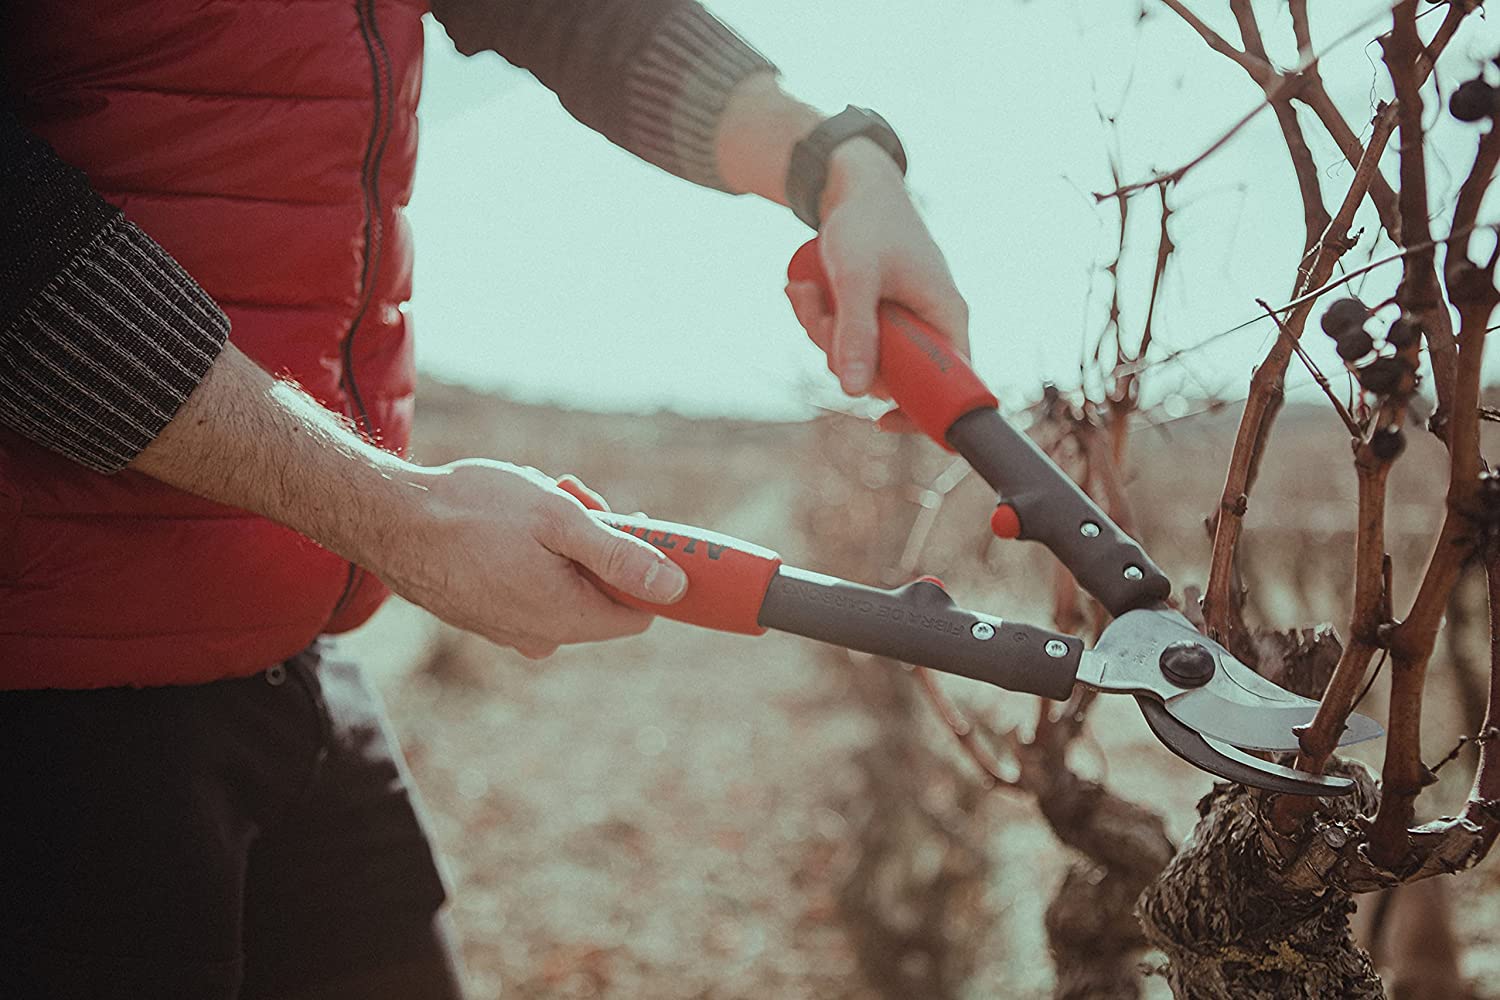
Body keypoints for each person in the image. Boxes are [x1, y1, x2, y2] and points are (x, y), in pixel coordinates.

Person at [0, 1, 969, 997]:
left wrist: (841, 164)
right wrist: (396, 517)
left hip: (292, 643)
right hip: (49, 700)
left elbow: (573, 19)